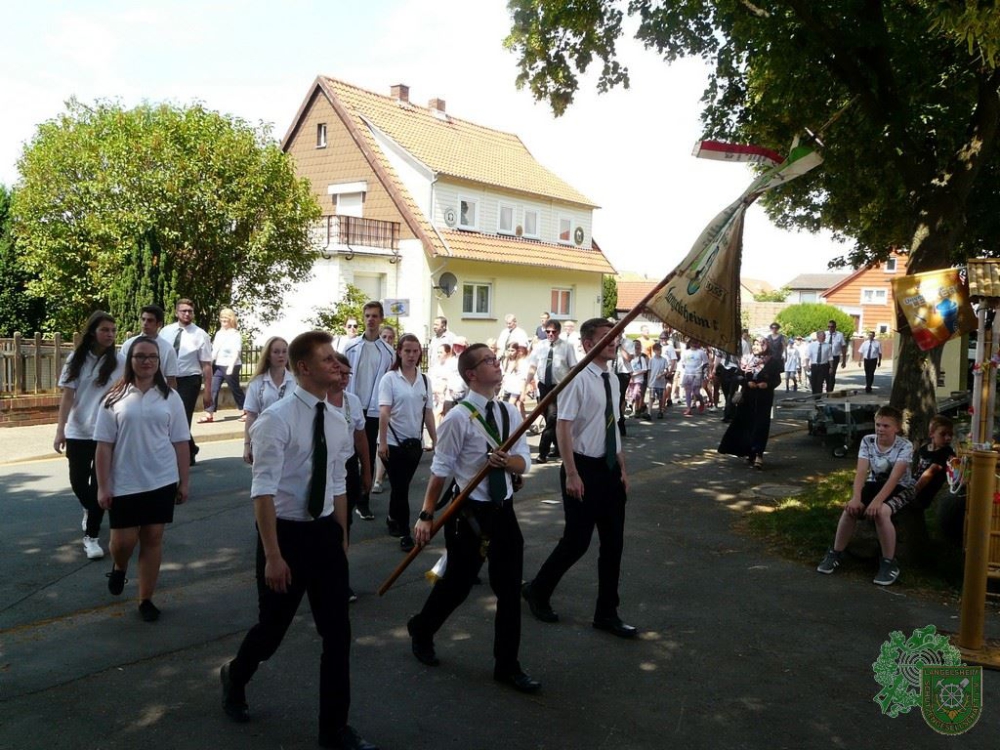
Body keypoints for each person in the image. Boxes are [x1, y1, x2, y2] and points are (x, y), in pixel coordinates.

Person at [220, 331, 377, 750]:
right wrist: (273, 555)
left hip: (324, 533)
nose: (337, 366)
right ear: (303, 367)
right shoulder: (276, 419)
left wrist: (340, 537)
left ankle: (334, 729)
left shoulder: (337, 417)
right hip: (285, 535)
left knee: (338, 636)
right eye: (328, 360)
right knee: (272, 631)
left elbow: (338, 482)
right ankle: (235, 675)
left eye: (337, 360)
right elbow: (263, 492)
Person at [406, 343, 538, 692]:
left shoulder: (509, 413)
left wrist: (507, 463)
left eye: (496, 360)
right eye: (489, 361)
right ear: (471, 374)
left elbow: (525, 460)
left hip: (503, 511)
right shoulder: (458, 418)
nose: (497, 365)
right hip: (469, 513)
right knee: (458, 585)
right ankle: (422, 627)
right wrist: (425, 515)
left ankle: (507, 665)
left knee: (509, 589)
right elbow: (440, 471)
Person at [522, 318, 637, 639]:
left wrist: (623, 468)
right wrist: (571, 473)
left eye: (616, 336)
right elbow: (563, 427)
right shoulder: (577, 380)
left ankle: (607, 613)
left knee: (613, 544)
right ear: (588, 344)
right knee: (577, 542)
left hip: (609, 470)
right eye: (606, 337)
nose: (614, 341)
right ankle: (538, 590)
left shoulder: (612, 379)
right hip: (582, 468)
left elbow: (612, 426)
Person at [94, 336, 190, 622]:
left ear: (159, 362)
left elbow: (181, 442)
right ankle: (120, 567)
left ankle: (145, 598)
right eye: (140, 356)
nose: (146, 361)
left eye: (152, 357)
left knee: (152, 538)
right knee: (122, 542)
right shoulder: (114, 397)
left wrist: (184, 482)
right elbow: (103, 445)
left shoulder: (170, 397)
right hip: (124, 481)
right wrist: (103, 486)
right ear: (131, 360)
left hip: (161, 479)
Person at [816, 405, 915, 586]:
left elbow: (895, 478)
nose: (880, 429)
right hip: (874, 483)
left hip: (901, 487)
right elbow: (861, 472)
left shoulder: (905, 446)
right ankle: (836, 552)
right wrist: (856, 497)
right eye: (878, 425)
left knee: (882, 513)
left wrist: (877, 502)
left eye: (886, 426)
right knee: (850, 510)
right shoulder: (868, 441)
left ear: (897, 428)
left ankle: (888, 562)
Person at [54, 311, 125, 560]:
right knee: (77, 481)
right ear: (93, 331)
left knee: (100, 485)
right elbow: (68, 396)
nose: (110, 335)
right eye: (105, 329)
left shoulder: (119, 361)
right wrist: (60, 429)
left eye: (113, 331)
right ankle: (90, 507)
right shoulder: (77, 359)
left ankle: (91, 537)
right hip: (78, 431)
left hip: (107, 433)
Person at [378, 334, 436, 552]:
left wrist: (435, 440)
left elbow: (428, 412)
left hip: (414, 444)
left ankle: (393, 517)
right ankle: (405, 531)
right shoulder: (390, 379)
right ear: (399, 352)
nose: (412, 355)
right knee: (401, 487)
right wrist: (382, 443)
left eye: (415, 351)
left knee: (400, 487)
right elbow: (384, 413)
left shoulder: (424, 380)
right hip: (392, 443)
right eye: (407, 351)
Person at [344, 302, 395, 520]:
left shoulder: (388, 351)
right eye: (367, 316)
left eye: (375, 316)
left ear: (381, 319)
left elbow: (389, 381)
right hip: (351, 406)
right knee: (348, 454)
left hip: (373, 410)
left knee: (367, 457)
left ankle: (363, 501)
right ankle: (346, 497)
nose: (371, 320)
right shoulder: (350, 346)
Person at [160, 299, 213, 465]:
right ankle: (190, 447)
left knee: (182, 417)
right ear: (177, 312)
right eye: (183, 311)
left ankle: (183, 455)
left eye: (190, 311)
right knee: (167, 417)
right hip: (168, 379)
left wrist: (208, 391)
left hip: (189, 380)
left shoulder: (200, 334)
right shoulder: (165, 332)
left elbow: (206, 364)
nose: (187, 314)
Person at [718, 336, 782, 470]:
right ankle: (749, 452)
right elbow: (738, 376)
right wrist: (746, 382)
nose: (756, 347)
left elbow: (777, 380)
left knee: (761, 425)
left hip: (763, 398)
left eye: (759, 344)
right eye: (755, 344)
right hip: (748, 397)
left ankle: (759, 454)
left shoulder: (773, 361)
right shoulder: (746, 359)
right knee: (747, 424)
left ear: (766, 346)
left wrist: (768, 384)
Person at [527, 319, 578, 462]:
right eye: (547, 331)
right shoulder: (540, 346)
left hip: (559, 388)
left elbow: (573, 367)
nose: (550, 334)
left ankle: (542, 453)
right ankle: (558, 448)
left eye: (553, 332)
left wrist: (568, 384)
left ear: (559, 332)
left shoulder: (567, 347)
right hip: (543, 386)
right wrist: (526, 384)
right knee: (550, 419)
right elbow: (532, 366)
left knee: (552, 418)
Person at [243, 337, 294, 465]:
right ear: (268, 356)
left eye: (284, 351)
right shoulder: (257, 383)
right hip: (265, 439)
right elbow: (251, 416)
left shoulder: (296, 382)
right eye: (276, 352)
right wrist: (246, 445)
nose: (281, 355)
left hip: (291, 440)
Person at [200, 307, 246, 423]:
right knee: (213, 388)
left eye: (226, 318)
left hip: (232, 365)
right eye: (222, 318)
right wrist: (209, 364)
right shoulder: (219, 333)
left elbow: (237, 351)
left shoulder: (235, 334)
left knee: (235, 388)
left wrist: (231, 366)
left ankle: (246, 411)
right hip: (219, 365)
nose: (224, 320)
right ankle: (209, 414)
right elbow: (215, 350)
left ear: (231, 320)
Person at [120, 305, 179, 388]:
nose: (145, 323)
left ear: (159, 324)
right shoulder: (129, 344)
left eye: (150, 320)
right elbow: (121, 373)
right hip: (132, 393)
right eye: (143, 319)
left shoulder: (168, 349)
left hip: (158, 394)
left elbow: (171, 380)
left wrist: (171, 399)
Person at [911, 415, 956, 510]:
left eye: (950, 435)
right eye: (943, 434)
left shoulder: (946, 453)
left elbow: (930, 473)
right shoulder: (924, 449)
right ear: (931, 434)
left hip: (924, 492)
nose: (948, 438)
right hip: (914, 483)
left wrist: (913, 491)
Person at [678, 339, 709, 416]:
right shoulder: (685, 352)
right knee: (688, 391)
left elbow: (706, 363)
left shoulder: (701, 352)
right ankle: (688, 408)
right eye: (692, 342)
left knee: (696, 392)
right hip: (687, 374)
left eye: (695, 342)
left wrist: (704, 372)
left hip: (697, 374)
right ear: (689, 343)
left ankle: (701, 402)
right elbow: (682, 362)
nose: (694, 344)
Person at [501, 342, 530, 419]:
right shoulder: (506, 361)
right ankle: (524, 422)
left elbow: (523, 377)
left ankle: (514, 423)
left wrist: (523, 391)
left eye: (512, 350)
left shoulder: (521, 362)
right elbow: (505, 374)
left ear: (517, 351)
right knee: (519, 405)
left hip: (516, 388)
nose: (510, 353)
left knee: (510, 405)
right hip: (508, 387)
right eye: (509, 350)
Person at [626, 338, 649, 418]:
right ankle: (635, 410)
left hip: (639, 379)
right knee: (631, 395)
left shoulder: (642, 358)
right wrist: (630, 376)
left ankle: (637, 410)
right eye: (634, 347)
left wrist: (635, 374)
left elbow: (645, 369)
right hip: (631, 380)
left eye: (638, 347)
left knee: (636, 394)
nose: (636, 349)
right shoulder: (630, 358)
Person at [826, 320, 848, 392]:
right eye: (828, 327)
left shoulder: (839, 335)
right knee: (826, 375)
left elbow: (843, 347)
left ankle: (829, 391)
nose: (830, 328)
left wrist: (844, 361)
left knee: (832, 374)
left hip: (834, 357)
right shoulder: (825, 334)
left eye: (831, 327)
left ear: (835, 327)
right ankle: (827, 389)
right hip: (825, 358)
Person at [807, 331, 831, 396]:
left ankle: (818, 397)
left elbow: (830, 357)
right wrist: (807, 365)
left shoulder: (828, 346)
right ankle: (814, 394)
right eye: (823, 336)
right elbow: (808, 356)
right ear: (818, 337)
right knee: (813, 381)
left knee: (820, 382)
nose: (824, 337)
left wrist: (831, 367)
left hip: (823, 366)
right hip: (814, 365)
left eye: (824, 336)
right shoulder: (812, 345)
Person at [648, 343, 668, 418]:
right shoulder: (651, 360)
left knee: (660, 398)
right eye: (658, 350)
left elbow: (667, 370)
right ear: (654, 351)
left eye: (660, 350)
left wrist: (662, 374)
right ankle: (649, 412)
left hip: (661, 382)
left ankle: (660, 410)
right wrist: (649, 382)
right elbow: (649, 371)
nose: (659, 351)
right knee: (651, 397)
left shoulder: (664, 360)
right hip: (653, 382)